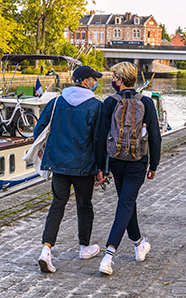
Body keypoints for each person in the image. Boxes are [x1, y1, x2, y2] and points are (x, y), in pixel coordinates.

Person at [35, 65, 106, 273]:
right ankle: (84, 247)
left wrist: (42, 150)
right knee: (84, 205)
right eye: (93, 79)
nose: (95, 82)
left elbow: (39, 128)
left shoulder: (56, 101)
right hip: (84, 166)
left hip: (58, 163)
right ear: (85, 81)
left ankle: (46, 250)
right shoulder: (95, 106)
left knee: (57, 204)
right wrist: (101, 168)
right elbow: (98, 139)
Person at [96, 61, 162, 275]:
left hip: (116, 160)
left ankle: (138, 245)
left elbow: (100, 137)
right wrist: (154, 164)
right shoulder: (147, 102)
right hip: (138, 161)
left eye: (114, 77)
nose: (112, 81)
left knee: (126, 202)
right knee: (127, 203)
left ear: (121, 80)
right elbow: (154, 136)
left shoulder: (109, 102)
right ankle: (108, 256)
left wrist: (101, 168)